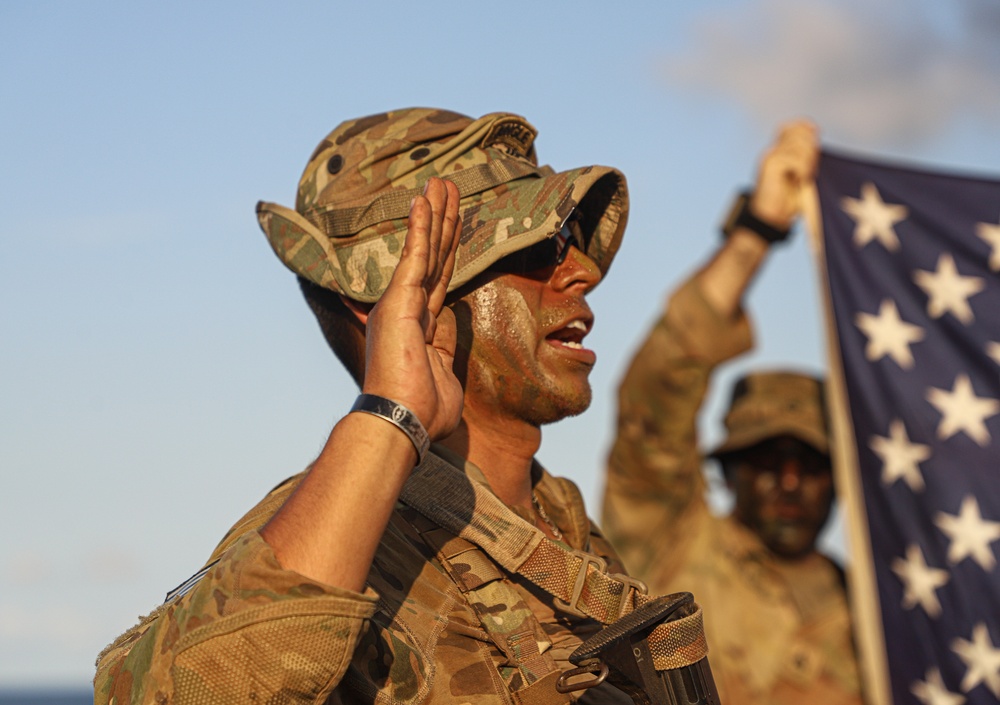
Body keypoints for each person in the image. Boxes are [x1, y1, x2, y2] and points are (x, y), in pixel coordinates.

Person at [94, 108, 708, 704]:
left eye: (571, 238)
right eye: (537, 245)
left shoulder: (565, 527)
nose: (581, 271)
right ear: (394, 299)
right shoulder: (339, 547)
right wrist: (389, 416)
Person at [602, 121, 863, 705]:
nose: (790, 483)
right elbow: (657, 387)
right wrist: (758, 231)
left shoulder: (877, 607)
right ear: (729, 471)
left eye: (812, 464)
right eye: (768, 461)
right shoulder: (671, 546)